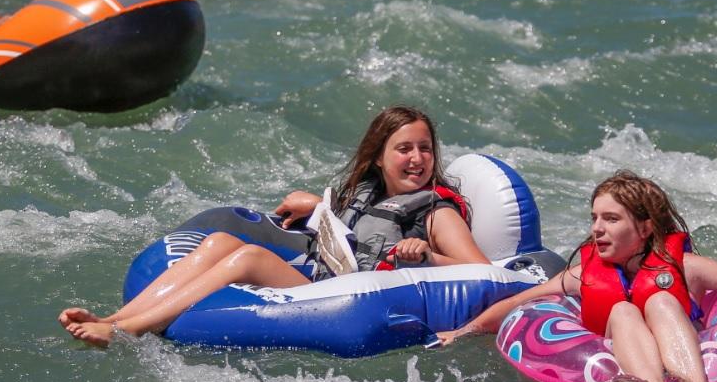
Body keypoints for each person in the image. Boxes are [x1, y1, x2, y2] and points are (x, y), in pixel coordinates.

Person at [58, 105, 492, 347]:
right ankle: (115, 317)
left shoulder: (437, 213)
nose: (416, 159)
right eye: (404, 149)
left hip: (354, 298)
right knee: (221, 240)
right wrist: (318, 208)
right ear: (379, 156)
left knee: (247, 256)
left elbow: (482, 275)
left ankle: (128, 330)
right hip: (327, 276)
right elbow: (354, 232)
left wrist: (427, 255)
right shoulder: (372, 193)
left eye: (424, 149)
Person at [437, 171, 717, 382]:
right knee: (621, 312)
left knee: (659, 300)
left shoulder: (685, 269)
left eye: (611, 219)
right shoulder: (582, 275)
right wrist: (463, 332)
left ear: (643, 228)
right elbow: (518, 303)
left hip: (691, 348)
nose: (596, 230)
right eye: (594, 219)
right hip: (629, 356)